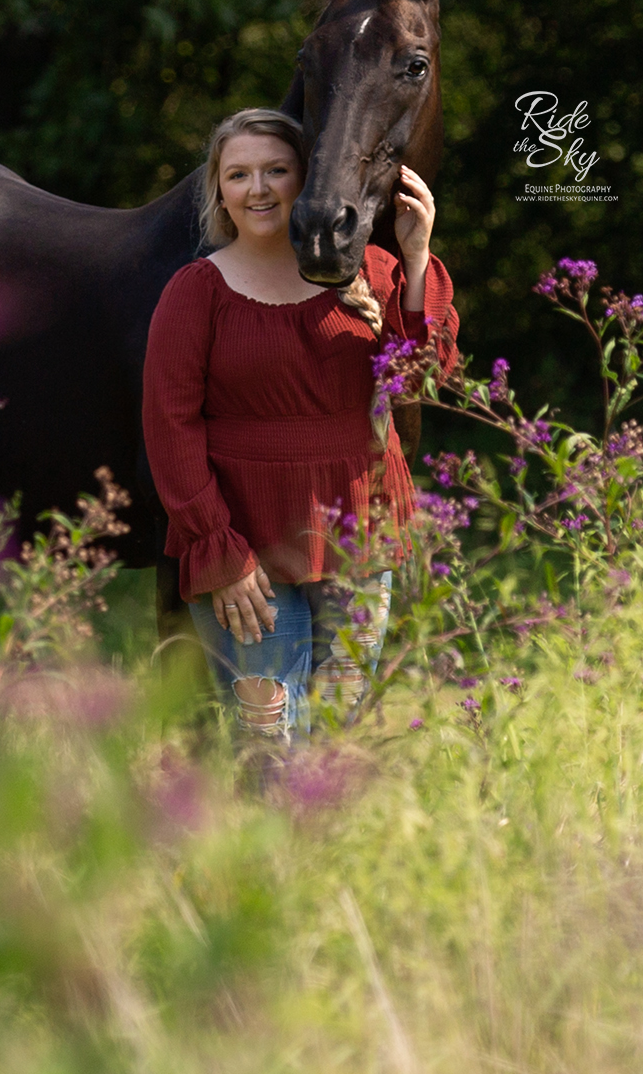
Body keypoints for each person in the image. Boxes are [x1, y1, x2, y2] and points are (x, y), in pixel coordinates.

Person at [141, 108, 459, 744]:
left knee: (337, 735)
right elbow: (169, 427)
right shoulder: (195, 291)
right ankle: (263, 847)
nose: (258, 188)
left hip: (359, 534)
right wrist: (218, 548)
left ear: (308, 181)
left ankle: (324, 848)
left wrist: (417, 255)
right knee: (269, 738)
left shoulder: (369, 272)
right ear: (219, 190)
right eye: (239, 174)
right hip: (243, 542)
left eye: (276, 170)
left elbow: (421, 382)